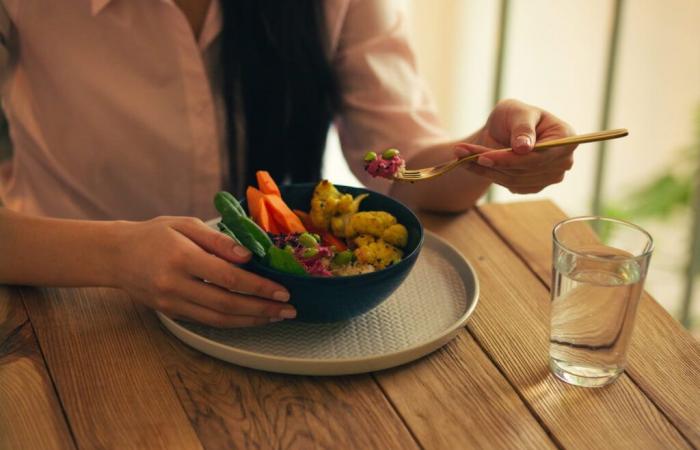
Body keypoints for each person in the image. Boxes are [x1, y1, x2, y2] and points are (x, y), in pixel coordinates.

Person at [0, 0, 576, 327]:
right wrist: (118, 255)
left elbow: (406, 175)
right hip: (69, 308)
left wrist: (488, 157)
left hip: (281, 323)